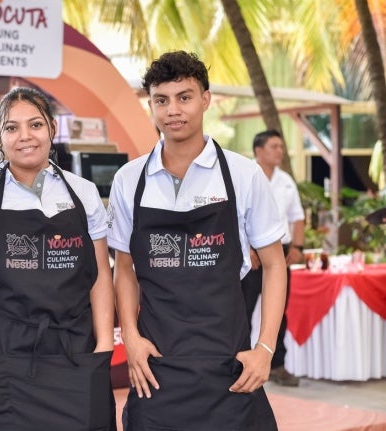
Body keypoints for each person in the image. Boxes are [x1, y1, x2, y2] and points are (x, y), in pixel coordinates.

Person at [107, 51, 287, 430]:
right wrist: (131, 339)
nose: (173, 110)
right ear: (151, 105)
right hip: (156, 368)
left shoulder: (243, 175)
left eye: (184, 97)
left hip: (230, 366)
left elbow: (274, 264)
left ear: (205, 100)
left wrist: (265, 349)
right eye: (161, 100)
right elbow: (124, 267)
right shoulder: (129, 179)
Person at [0, 87, 117, 430]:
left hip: (74, 355)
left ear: (52, 129)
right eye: (12, 128)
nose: (25, 136)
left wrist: (102, 347)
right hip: (1, 357)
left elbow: (100, 275)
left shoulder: (83, 193)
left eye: (35, 125)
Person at [241, 129, 305, 387]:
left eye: (281, 146)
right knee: (242, 311)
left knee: (279, 311)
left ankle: (277, 364)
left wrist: (298, 246)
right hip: (252, 254)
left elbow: (297, 217)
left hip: (282, 252)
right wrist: (248, 249)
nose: (280, 151)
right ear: (259, 150)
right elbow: (236, 218)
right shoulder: (245, 176)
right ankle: (239, 361)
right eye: (275, 146)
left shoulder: (286, 180)